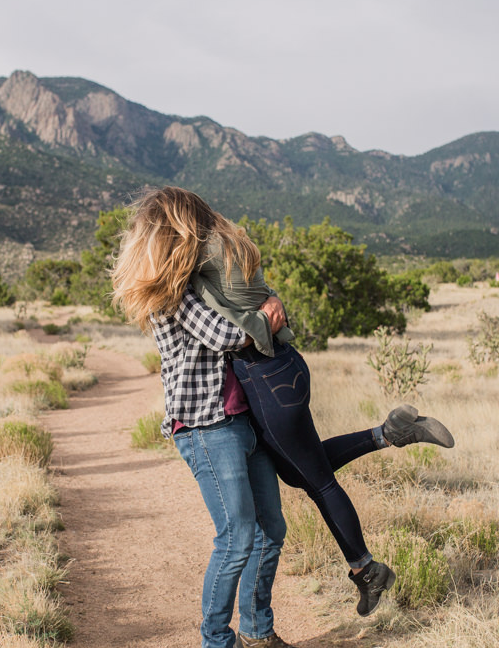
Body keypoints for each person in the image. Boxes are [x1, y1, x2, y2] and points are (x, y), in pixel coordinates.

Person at [188, 199, 454, 614]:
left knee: (318, 482)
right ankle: (389, 434)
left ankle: (367, 570)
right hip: (285, 367)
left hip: (262, 377)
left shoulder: (199, 256)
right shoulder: (234, 242)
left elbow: (218, 322)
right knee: (303, 470)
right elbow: (261, 295)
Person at [111, 189, 309, 648]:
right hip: (206, 427)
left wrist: (259, 312)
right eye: (198, 226)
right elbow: (224, 334)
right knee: (237, 536)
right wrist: (267, 316)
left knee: (271, 530)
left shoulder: (201, 283)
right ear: (177, 234)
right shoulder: (172, 297)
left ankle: (258, 634)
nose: (209, 235)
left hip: (243, 420)